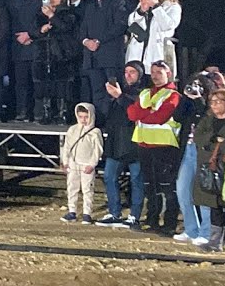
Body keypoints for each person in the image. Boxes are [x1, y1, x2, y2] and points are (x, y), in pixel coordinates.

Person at [128, 61, 182, 237]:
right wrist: (148, 113)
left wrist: (143, 113)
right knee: (150, 186)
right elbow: (132, 114)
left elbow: (160, 117)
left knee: (167, 188)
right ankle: (152, 220)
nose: (155, 76)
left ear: (169, 73)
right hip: (144, 145)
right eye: (153, 72)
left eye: (159, 72)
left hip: (165, 146)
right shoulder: (145, 93)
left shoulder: (173, 95)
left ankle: (169, 224)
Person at [97, 62, 146, 228]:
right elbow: (105, 112)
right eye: (126, 72)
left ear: (139, 74)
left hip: (134, 142)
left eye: (132, 72)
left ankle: (134, 216)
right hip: (116, 141)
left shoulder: (144, 92)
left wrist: (119, 96)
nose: (128, 75)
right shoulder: (119, 91)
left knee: (137, 180)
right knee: (109, 176)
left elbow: (135, 111)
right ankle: (114, 212)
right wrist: (111, 97)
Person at [187, 89, 225, 250]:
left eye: (218, 101)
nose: (214, 105)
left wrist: (222, 144)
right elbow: (197, 138)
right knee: (213, 204)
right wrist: (213, 139)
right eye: (212, 102)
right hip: (209, 167)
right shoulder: (207, 120)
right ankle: (214, 242)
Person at [80, 0, 129, 119]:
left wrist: (98, 41)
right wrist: (86, 41)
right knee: (97, 91)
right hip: (93, 57)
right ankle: (100, 120)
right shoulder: (90, 6)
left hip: (110, 57)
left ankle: (113, 121)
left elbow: (119, 26)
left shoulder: (118, 3)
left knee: (113, 90)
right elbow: (83, 28)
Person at [33, 0, 81, 125]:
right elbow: (33, 32)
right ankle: (46, 112)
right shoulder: (39, 14)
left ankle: (62, 113)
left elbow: (66, 27)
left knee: (62, 84)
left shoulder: (68, 13)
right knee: (45, 84)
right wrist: (41, 30)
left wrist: (52, 16)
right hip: (43, 54)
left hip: (62, 54)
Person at [6, 0, 43, 122]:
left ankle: (38, 113)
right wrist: (19, 37)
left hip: (37, 46)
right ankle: (21, 112)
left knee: (37, 82)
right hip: (18, 47)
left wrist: (31, 35)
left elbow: (45, 21)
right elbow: (7, 22)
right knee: (20, 83)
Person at [125, 0, 182, 72]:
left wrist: (156, 7)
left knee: (156, 75)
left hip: (157, 51)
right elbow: (131, 22)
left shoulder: (173, 7)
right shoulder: (144, 4)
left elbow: (168, 25)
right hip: (139, 51)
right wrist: (141, 11)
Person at [59, 102, 103, 224]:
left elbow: (98, 150)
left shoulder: (95, 132)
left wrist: (92, 164)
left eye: (86, 117)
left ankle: (87, 213)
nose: (83, 120)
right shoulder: (72, 130)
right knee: (72, 188)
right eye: (81, 117)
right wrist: (65, 162)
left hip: (86, 165)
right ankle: (72, 211)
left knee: (87, 189)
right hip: (73, 164)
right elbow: (67, 147)